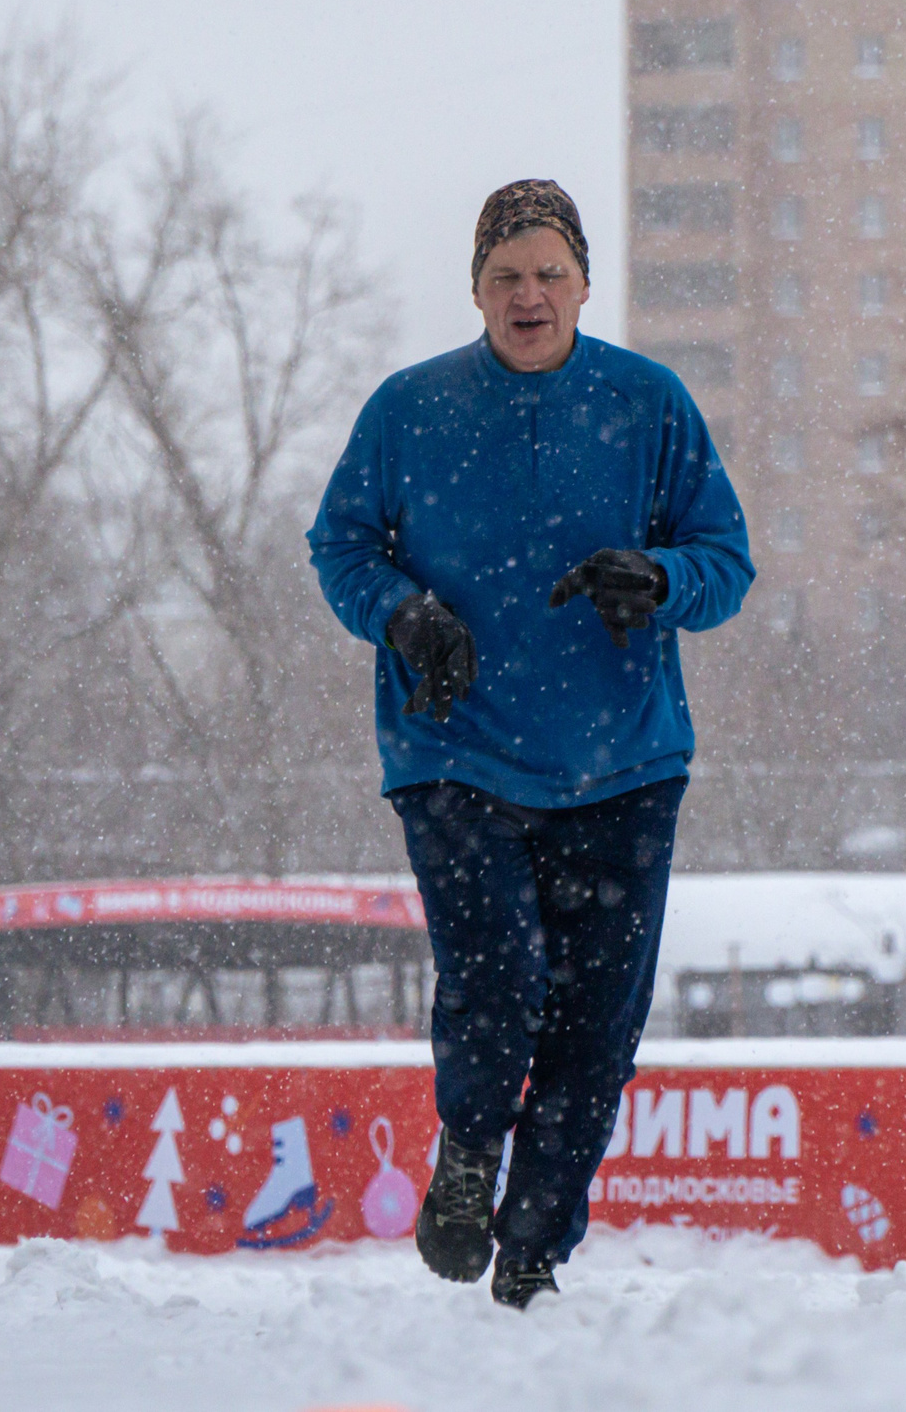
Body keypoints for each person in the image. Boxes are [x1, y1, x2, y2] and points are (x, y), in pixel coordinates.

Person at [307, 178, 752, 1308]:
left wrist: (660, 577)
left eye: (551, 272)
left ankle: (533, 1251)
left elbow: (725, 562)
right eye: (506, 275)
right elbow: (341, 546)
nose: (529, 294)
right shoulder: (409, 411)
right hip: (455, 752)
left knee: (596, 1030)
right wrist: (402, 614)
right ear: (476, 291)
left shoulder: (648, 403)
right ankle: (469, 1149)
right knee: (499, 982)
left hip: (624, 764)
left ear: (585, 285)